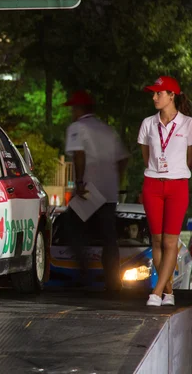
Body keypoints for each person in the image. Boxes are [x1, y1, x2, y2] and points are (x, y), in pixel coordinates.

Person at [63, 90, 129, 292]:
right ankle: (113, 282)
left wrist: (80, 182)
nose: (71, 113)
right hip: (109, 191)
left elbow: (79, 154)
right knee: (109, 237)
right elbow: (123, 158)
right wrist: (115, 180)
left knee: (70, 226)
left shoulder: (77, 127)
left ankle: (83, 273)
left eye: (73, 109)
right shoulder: (107, 129)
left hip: (89, 190)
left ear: (79, 109)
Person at [138, 76, 192, 307]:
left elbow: (189, 159)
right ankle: (168, 291)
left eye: (158, 93)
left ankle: (156, 291)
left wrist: (175, 171)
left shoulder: (188, 124)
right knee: (157, 241)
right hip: (152, 184)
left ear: (172, 95)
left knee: (171, 242)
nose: (154, 97)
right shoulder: (148, 123)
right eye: (153, 93)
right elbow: (146, 156)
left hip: (178, 185)